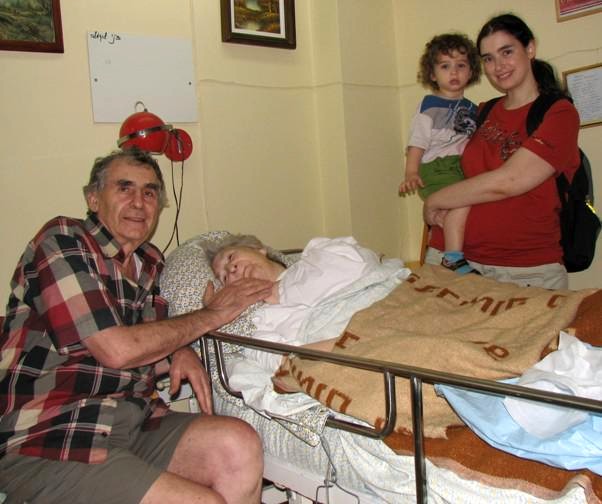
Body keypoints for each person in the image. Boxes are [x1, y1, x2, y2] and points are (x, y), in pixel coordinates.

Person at [0, 148, 275, 504]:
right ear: (93, 198)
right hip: (52, 435)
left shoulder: (151, 262)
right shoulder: (63, 240)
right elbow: (116, 350)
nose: (139, 202)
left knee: (239, 444)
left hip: (135, 420)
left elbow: (153, 340)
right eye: (124, 188)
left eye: (149, 192)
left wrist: (180, 349)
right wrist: (212, 315)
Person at [423, 13, 580, 289]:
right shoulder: (482, 111)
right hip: (450, 261)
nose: (498, 66)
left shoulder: (560, 114)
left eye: (507, 52)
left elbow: (509, 181)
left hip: (523, 272)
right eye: (488, 58)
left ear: (530, 48)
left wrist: (433, 201)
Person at [205, 234, 410, 374]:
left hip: (401, 307)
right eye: (224, 277)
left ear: (259, 250)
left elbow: (375, 269)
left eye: (231, 257)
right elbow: (287, 363)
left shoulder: (318, 253)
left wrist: (285, 289)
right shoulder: (260, 320)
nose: (231, 268)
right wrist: (357, 343)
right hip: (367, 353)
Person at [399, 33, 481, 274]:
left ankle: (446, 239)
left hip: (458, 167)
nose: (453, 72)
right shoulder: (430, 105)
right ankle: (452, 258)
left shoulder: (472, 108)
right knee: (463, 200)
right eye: (445, 66)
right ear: (433, 74)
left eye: (461, 66)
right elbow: (417, 142)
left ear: (471, 71)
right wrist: (411, 172)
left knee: (460, 209)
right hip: (436, 167)